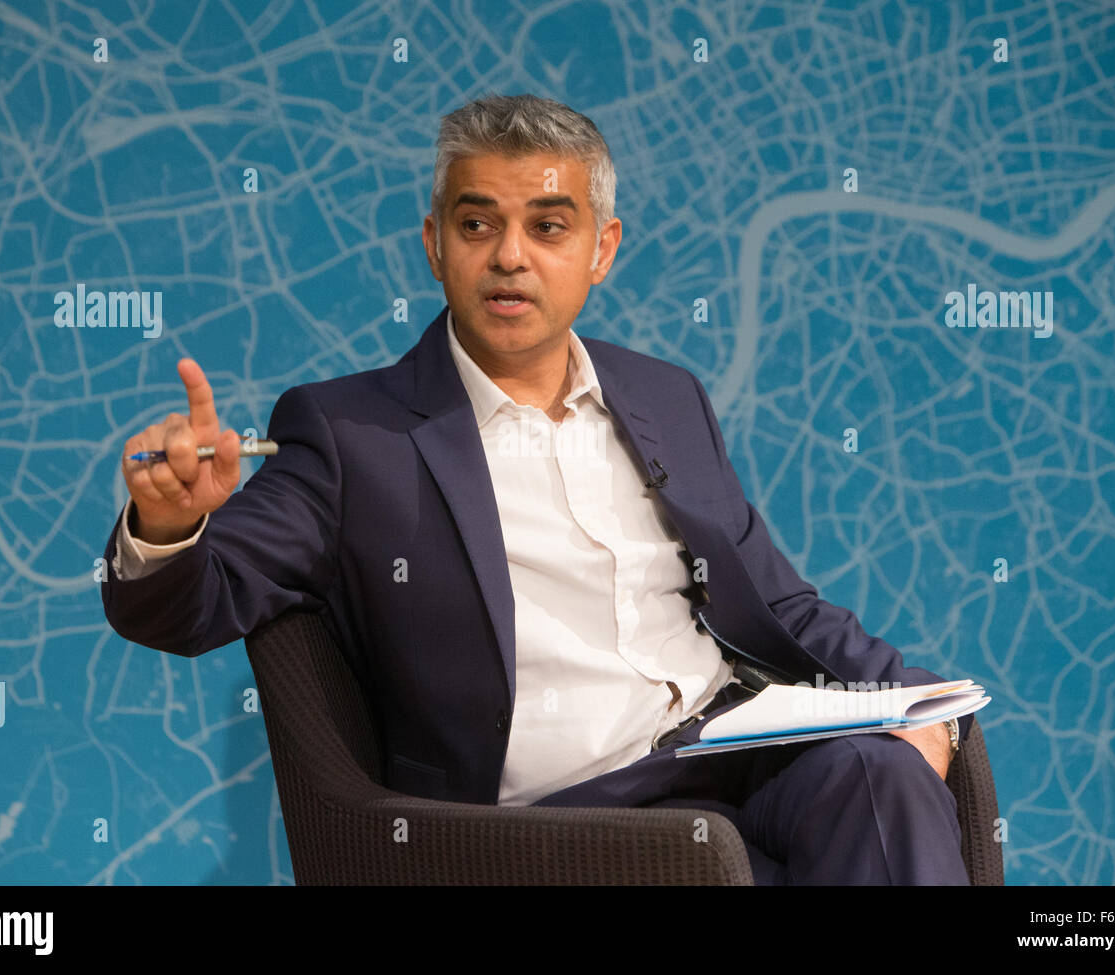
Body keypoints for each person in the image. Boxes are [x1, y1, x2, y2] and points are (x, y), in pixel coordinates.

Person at [101, 93, 970, 884]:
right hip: (565, 818)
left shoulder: (666, 396)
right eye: (479, 225)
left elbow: (782, 604)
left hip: (732, 746)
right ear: (435, 243)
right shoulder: (351, 435)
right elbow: (191, 607)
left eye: (548, 227)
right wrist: (166, 526)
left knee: (882, 773)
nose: (510, 256)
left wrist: (917, 700)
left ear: (602, 249)